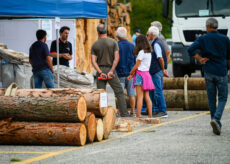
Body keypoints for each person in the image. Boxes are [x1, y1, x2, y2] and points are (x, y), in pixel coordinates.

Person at [188, 18, 230, 135]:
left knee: (212, 98)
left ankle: (214, 121)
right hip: (221, 71)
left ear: (207, 27)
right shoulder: (225, 39)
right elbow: (229, 58)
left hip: (208, 71)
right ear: (217, 26)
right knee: (223, 98)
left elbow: (190, 49)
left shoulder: (203, 38)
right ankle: (216, 119)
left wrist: (200, 59)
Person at [91, 24, 129, 117]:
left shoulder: (95, 44)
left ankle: (101, 114)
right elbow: (116, 58)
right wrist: (111, 71)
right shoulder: (113, 42)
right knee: (119, 92)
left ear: (98, 32)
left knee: (101, 93)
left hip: (101, 69)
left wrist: (100, 72)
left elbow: (93, 61)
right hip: (111, 69)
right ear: (106, 31)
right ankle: (124, 113)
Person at [127, 35, 154, 118]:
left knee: (139, 97)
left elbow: (136, 65)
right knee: (147, 96)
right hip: (147, 74)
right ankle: (150, 116)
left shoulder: (141, 52)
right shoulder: (149, 52)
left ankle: (138, 116)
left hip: (140, 75)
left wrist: (131, 73)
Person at [148, 26, 169, 118]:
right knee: (156, 90)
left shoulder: (156, 44)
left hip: (156, 70)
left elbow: (160, 58)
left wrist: (163, 68)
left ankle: (163, 110)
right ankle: (157, 109)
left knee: (158, 91)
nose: (147, 35)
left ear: (152, 34)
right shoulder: (156, 42)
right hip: (156, 70)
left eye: (148, 34)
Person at [116, 27, 136, 116]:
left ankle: (120, 110)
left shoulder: (116, 45)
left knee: (120, 94)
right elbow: (136, 59)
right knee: (132, 93)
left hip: (119, 73)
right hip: (131, 73)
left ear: (117, 35)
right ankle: (132, 111)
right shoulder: (132, 45)